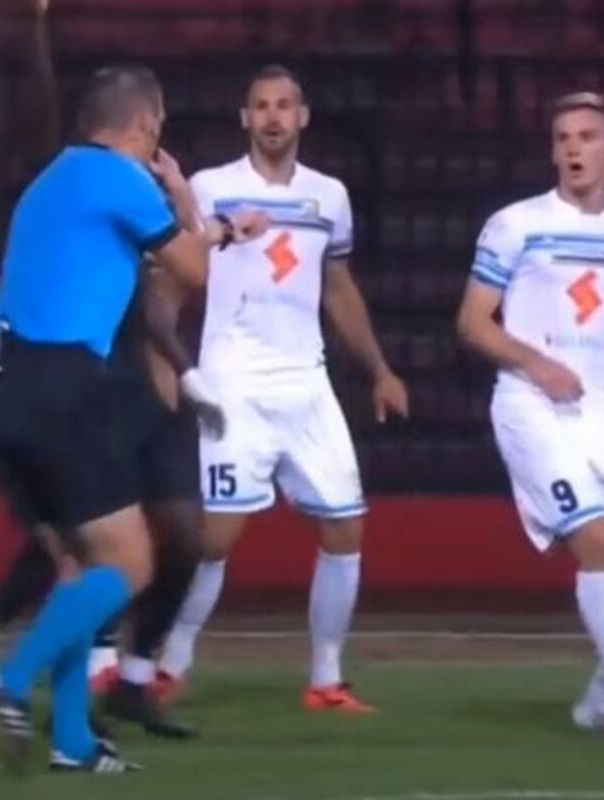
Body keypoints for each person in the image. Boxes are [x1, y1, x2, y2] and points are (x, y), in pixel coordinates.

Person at [0, 64, 266, 773]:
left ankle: (72, 742)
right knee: (131, 563)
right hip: (61, 382)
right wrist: (189, 203)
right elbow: (191, 270)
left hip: (0, 384)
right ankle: (13, 679)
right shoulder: (121, 178)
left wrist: (211, 229)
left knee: (79, 565)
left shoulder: (53, 180)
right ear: (147, 124)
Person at [157, 64, 408, 713]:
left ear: (302, 116)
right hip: (233, 383)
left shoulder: (330, 196)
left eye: (284, 105)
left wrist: (379, 370)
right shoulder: (211, 188)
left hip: (307, 384)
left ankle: (326, 679)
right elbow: (177, 276)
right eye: (261, 106)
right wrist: (166, 364)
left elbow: (338, 288)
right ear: (245, 118)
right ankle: (168, 664)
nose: (273, 116)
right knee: (215, 538)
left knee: (346, 528)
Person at [457, 90, 604, 736]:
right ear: (553, 152)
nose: (574, 148)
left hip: (598, 409)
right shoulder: (515, 224)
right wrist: (536, 362)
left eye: (587, 136)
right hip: (531, 405)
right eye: (563, 138)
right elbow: (472, 322)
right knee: (595, 538)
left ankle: (603, 698)